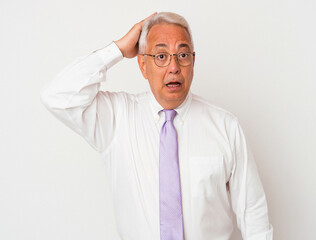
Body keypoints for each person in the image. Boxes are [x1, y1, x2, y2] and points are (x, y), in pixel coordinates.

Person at [41, 12, 273, 240]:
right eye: (161, 56)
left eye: (183, 55)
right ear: (143, 64)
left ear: (193, 61)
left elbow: (253, 214)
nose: (174, 67)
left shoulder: (226, 127)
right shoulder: (116, 118)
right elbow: (56, 96)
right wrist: (118, 49)